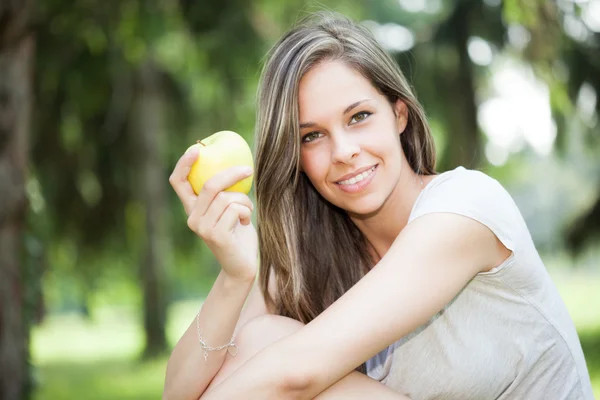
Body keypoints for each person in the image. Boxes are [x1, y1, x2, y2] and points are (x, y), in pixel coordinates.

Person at [163, 11, 594, 400]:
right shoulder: (310, 255)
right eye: (312, 136)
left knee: (283, 360)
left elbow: (294, 376)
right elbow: (182, 392)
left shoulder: (466, 207)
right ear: (295, 156)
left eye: (359, 117)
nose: (344, 151)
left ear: (399, 114)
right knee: (262, 339)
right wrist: (235, 277)